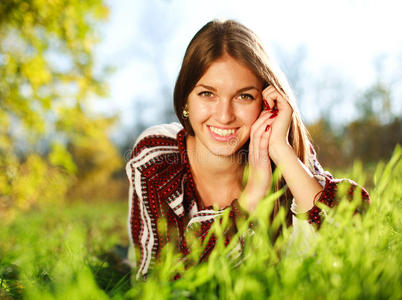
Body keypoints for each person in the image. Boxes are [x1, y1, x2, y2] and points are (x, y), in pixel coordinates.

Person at [126, 19, 370, 281]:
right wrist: (248, 202)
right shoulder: (157, 157)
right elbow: (156, 278)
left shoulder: (280, 148)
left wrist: (281, 150)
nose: (224, 115)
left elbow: (352, 238)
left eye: (244, 96)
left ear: (265, 102)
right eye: (207, 94)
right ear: (186, 97)